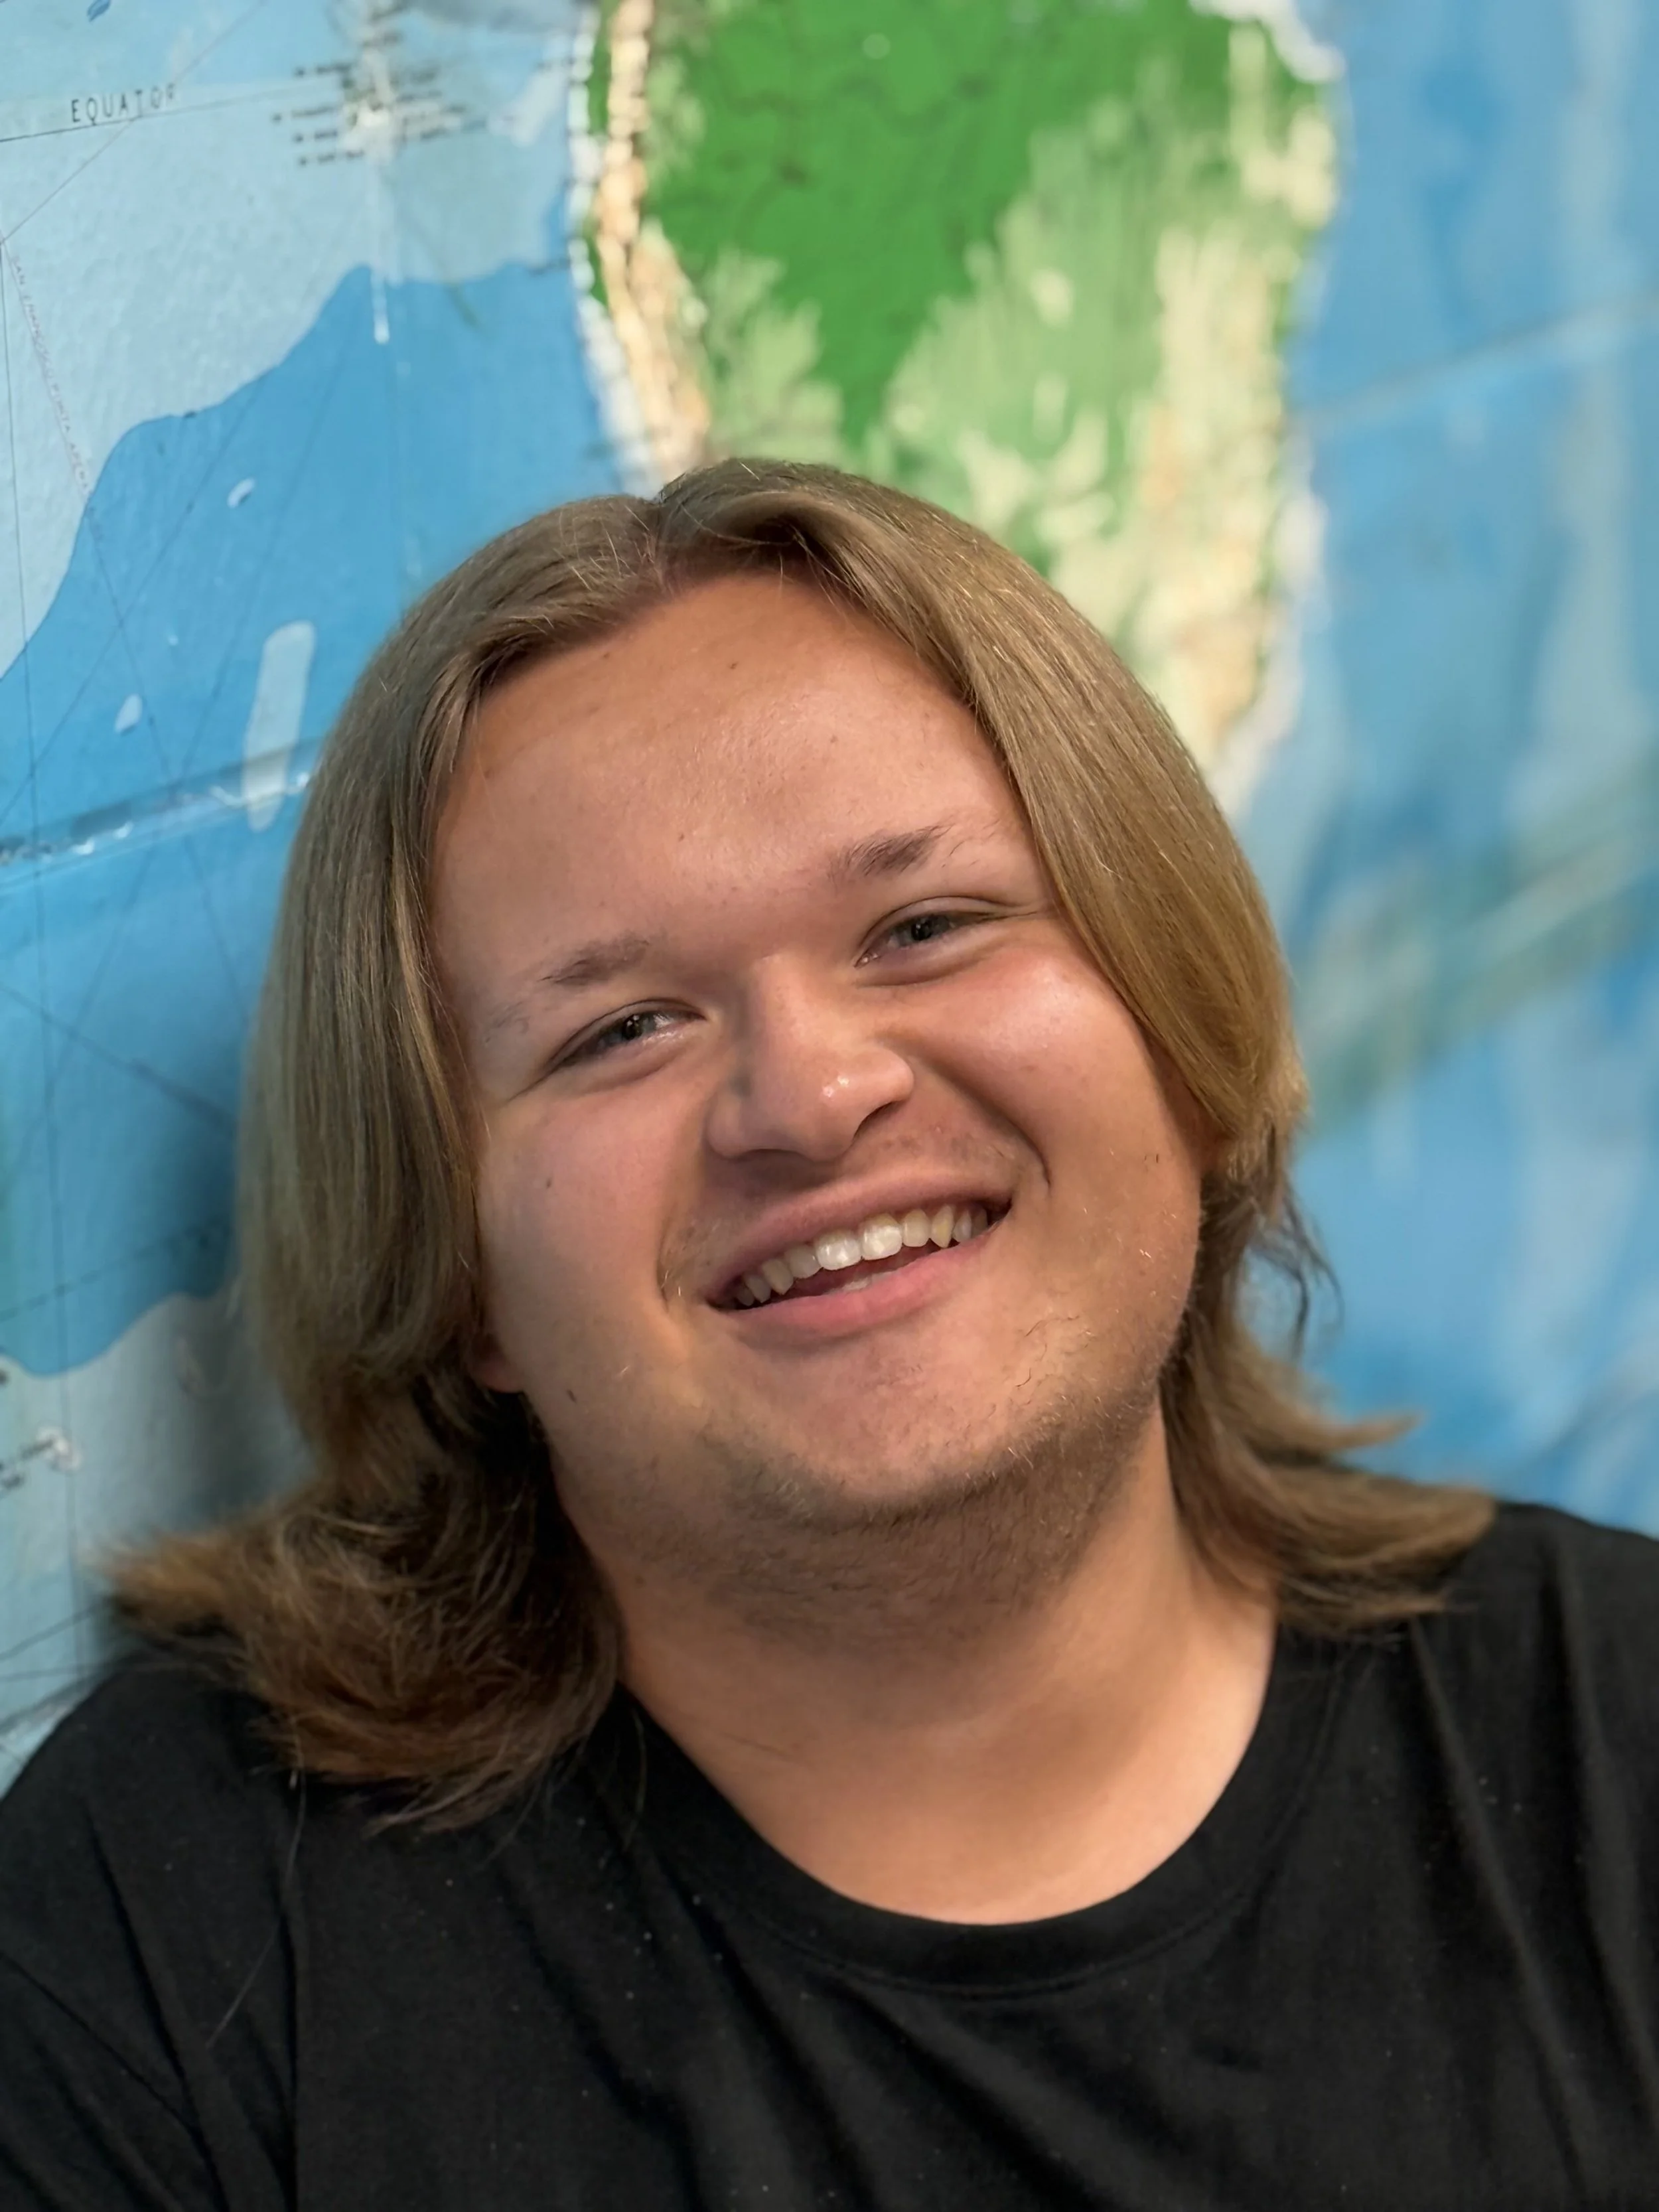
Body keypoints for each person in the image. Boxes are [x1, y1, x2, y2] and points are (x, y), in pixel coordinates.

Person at [2, 460, 1657, 2211]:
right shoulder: (176, 1936)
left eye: (924, 926)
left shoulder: (1610, 1742)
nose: (806, 1094)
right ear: (459, 1275)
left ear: (1174, 1029)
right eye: (619, 1027)